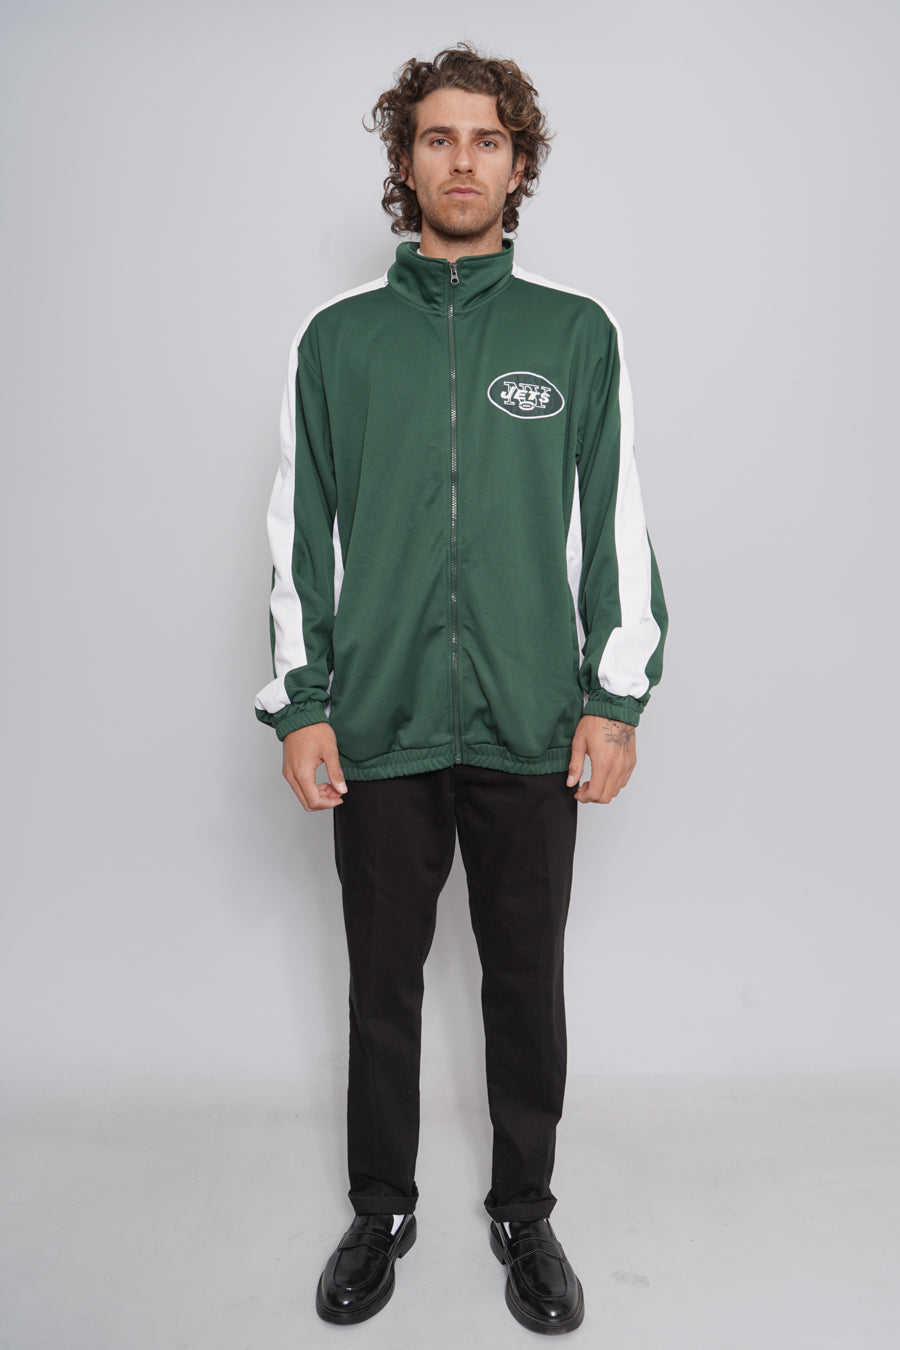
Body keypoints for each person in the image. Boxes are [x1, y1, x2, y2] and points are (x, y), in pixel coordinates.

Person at [255, 43, 667, 1335]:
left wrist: (615, 693)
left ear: (519, 161)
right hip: (375, 723)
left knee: (524, 982)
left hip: (531, 723)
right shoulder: (336, 341)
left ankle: (524, 1210)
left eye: (488, 139)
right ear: (405, 160)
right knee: (381, 985)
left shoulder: (575, 334)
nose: (463, 160)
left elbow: (617, 525)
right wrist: (303, 701)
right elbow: (299, 531)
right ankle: (382, 1206)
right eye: (438, 137)